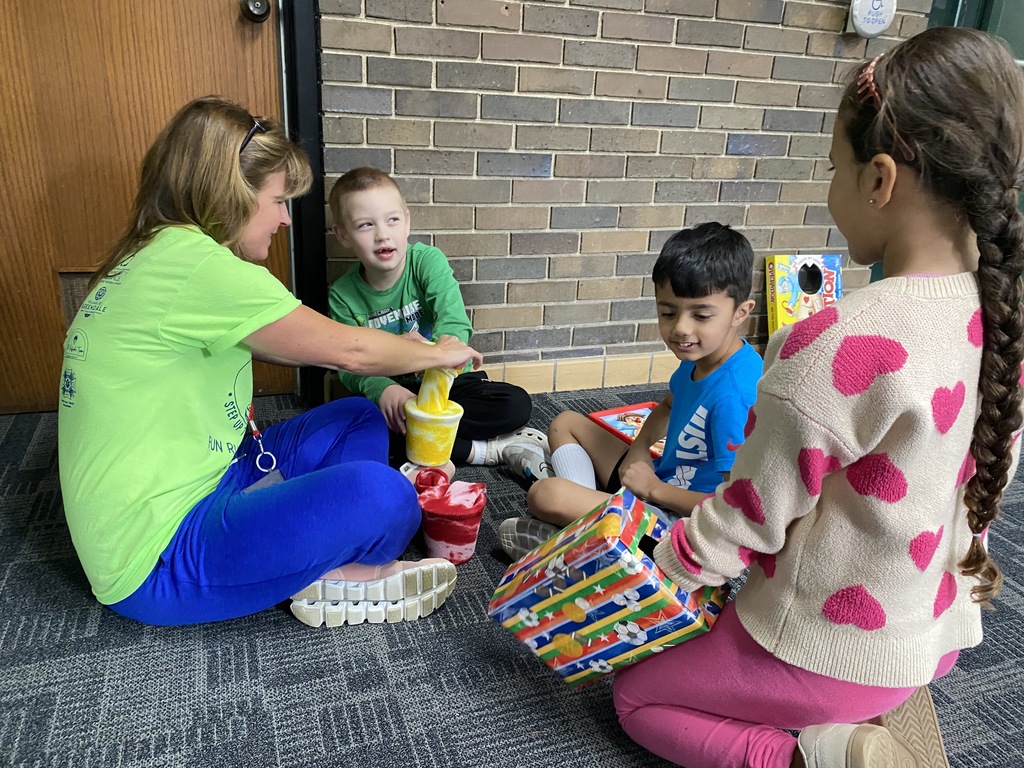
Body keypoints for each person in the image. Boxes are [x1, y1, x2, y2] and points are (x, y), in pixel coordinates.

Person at [613, 28, 1024, 768]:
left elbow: (750, 515)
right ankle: (860, 718)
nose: (832, 186)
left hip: (825, 650)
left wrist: (660, 570)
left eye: (835, 168)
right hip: (930, 641)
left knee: (636, 697)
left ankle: (810, 756)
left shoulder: (835, 339)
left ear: (880, 180)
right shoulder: (1004, 324)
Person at [57, 96, 484, 629]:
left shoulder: (153, 254)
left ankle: (304, 546)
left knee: (357, 417)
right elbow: (349, 350)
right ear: (230, 191)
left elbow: (308, 350)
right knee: (390, 498)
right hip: (156, 559)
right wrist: (439, 353)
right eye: (279, 200)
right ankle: (333, 566)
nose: (285, 218)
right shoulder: (198, 268)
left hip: (210, 478)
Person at [499, 222, 762, 557]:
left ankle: (584, 533)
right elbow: (668, 406)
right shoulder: (701, 355)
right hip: (656, 484)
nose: (681, 328)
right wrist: (638, 452)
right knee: (565, 422)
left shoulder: (736, 395)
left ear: (741, 312)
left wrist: (654, 490)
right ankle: (591, 526)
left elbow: (735, 510)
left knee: (545, 495)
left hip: (684, 527)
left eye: (701, 315)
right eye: (668, 312)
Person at [327, 167, 549, 479]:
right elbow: (351, 366)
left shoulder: (426, 261)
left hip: (447, 382)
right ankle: (485, 451)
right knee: (357, 433)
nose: (382, 234)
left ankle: (431, 447)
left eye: (392, 220)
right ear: (343, 235)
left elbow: (454, 323)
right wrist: (383, 389)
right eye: (366, 225)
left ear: (407, 222)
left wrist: (436, 353)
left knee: (515, 404)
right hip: (397, 394)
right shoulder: (342, 295)